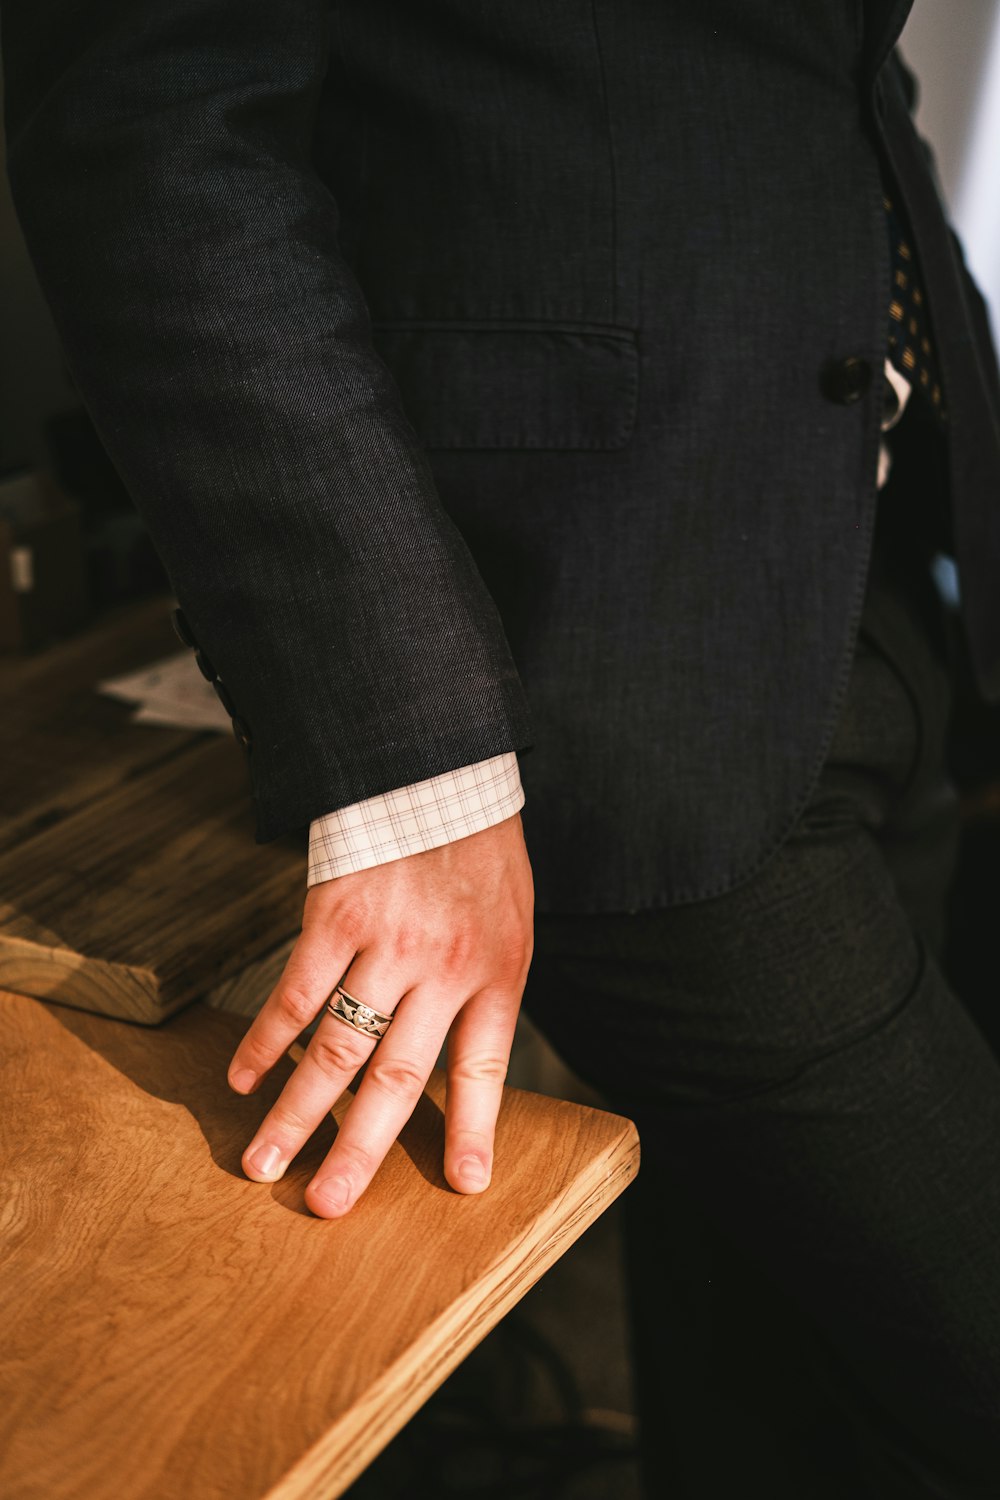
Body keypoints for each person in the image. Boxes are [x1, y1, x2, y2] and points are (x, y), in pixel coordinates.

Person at [4, 2, 1000, 1493]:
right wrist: (412, 769)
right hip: (614, 663)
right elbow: (155, 122)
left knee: (787, 1358)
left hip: (891, 562)